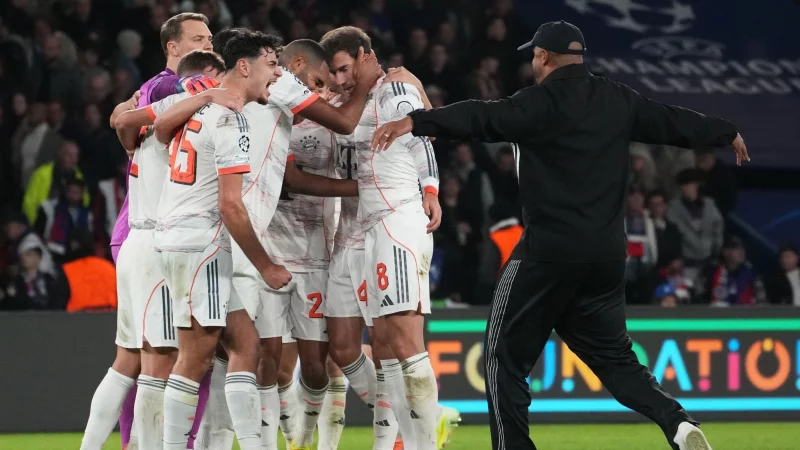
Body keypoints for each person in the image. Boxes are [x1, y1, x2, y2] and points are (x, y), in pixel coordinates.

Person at [373, 20, 749, 450]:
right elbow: (674, 122)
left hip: (547, 253)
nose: (533, 61)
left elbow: (481, 116)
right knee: (616, 359)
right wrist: (726, 131)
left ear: (544, 57)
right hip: (606, 257)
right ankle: (677, 423)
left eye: (534, 54)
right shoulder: (618, 99)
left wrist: (416, 121)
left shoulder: (538, 103)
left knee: (502, 359)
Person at [80, 12, 216, 450]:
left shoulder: (165, 98)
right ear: (173, 48)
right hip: (158, 236)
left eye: (210, 37)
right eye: (198, 39)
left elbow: (124, 122)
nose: (209, 45)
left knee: (132, 361)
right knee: (160, 361)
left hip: (148, 236)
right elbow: (127, 120)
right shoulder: (170, 88)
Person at [323, 25, 449, 450]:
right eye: (334, 73)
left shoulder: (395, 90)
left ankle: (423, 442)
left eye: (344, 69)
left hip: (397, 216)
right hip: (360, 227)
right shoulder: (342, 100)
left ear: (363, 54)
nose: (341, 80)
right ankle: (410, 436)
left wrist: (430, 190)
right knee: (375, 345)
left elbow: (422, 141)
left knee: (403, 343)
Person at [667, 169, 724, 279]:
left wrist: (716, 250)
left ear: (696, 185)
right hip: (686, 264)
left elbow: (718, 228)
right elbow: (674, 235)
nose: (683, 188)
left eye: (687, 184)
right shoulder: (673, 208)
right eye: (682, 185)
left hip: (709, 263)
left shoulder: (709, 205)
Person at [22, 140, 90, 225]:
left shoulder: (79, 177)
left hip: (69, 227)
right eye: (69, 155)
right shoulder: (42, 174)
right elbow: (29, 203)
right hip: (43, 222)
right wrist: (35, 225)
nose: (73, 159)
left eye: (75, 156)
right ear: (60, 155)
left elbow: (85, 202)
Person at [34, 177, 93, 261]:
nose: (73, 195)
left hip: (78, 255)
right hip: (53, 253)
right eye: (71, 191)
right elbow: (38, 232)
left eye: (77, 192)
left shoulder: (87, 214)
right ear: (65, 191)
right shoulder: (49, 208)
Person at [708, 236, 764, 306]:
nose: (742, 252)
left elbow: (762, 300)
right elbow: (717, 303)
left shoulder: (751, 272)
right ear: (725, 252)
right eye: (737, 249)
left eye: (743, 249)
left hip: (749, 314)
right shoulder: (714, 273)